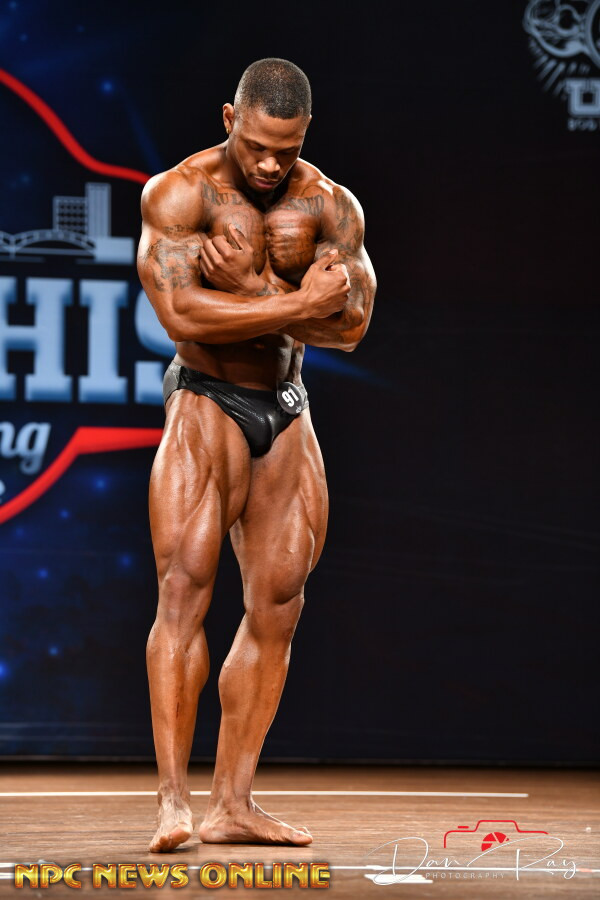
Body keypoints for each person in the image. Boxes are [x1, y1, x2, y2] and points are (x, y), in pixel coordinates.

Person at [137, 57, 376, 852]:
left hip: (286, 405)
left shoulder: (331, 204)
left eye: (289, 148)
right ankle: (174, 804)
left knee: (279, 602)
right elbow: (180, 314)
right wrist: (298, 302)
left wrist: (251, 297)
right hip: (207, 400)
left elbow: (351, 325)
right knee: (184, 591)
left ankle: (232, 804)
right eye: (258, 146)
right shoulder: (181, 194)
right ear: (230, 118)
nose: (272, 164)